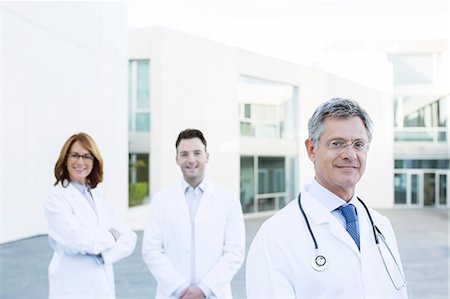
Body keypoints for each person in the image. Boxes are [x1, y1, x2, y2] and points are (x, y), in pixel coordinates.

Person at [246, 98, 408, 298]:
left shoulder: (381, 226)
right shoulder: (275, 236)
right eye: (337, 143)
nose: (350, 154)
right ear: (311, 150)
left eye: (359, 144)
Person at [142, 129, 245, 299]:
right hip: (173, 294)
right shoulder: (161, 201)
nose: (191, 160)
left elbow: (235, 251)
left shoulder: (228, 200)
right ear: (177, 159)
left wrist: (204, 289)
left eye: (197, 153)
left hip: (213, 294)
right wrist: (181, 288)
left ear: (207, 156)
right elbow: (151, 250)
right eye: (184, 154)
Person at [43, 132, 137, 298]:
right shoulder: (56, 199)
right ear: (65, 159)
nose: (80, 162)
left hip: (102, 287)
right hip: (72, 287)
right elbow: (75, 239)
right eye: (74, 155)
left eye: (87, 156)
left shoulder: (100, 197)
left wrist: (104, 256)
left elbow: (129, 237)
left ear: (94, 162)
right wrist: (111, 238)